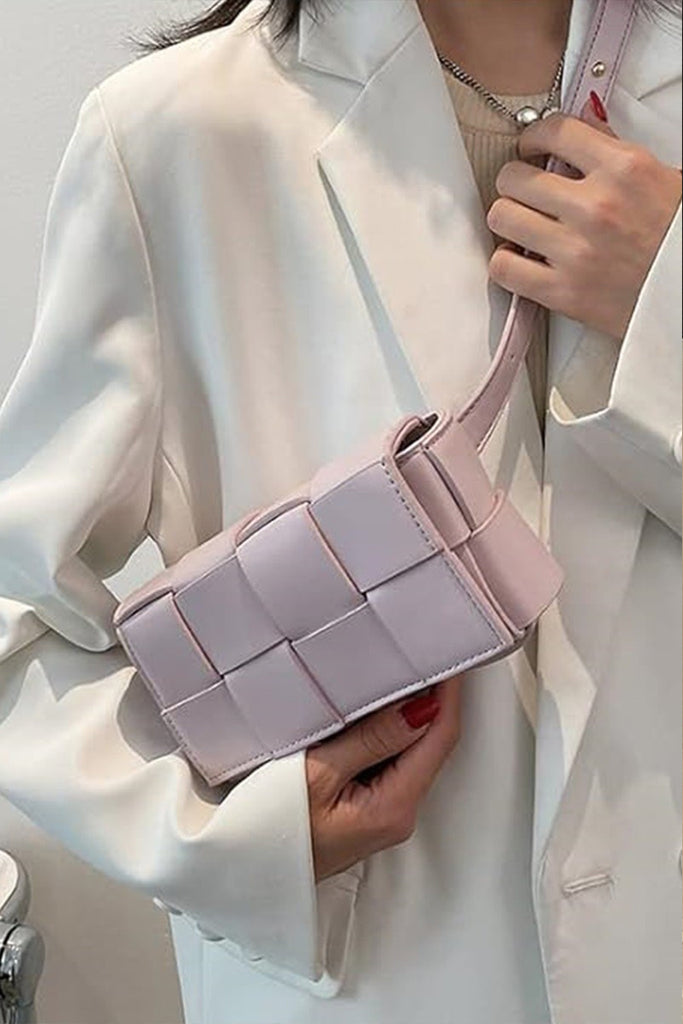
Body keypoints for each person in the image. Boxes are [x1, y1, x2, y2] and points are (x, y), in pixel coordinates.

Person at [0, 0, 680, 1020]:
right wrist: (240, 838)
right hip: (375, 974)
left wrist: (667, 304)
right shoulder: (180, 133)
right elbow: (16, 604)